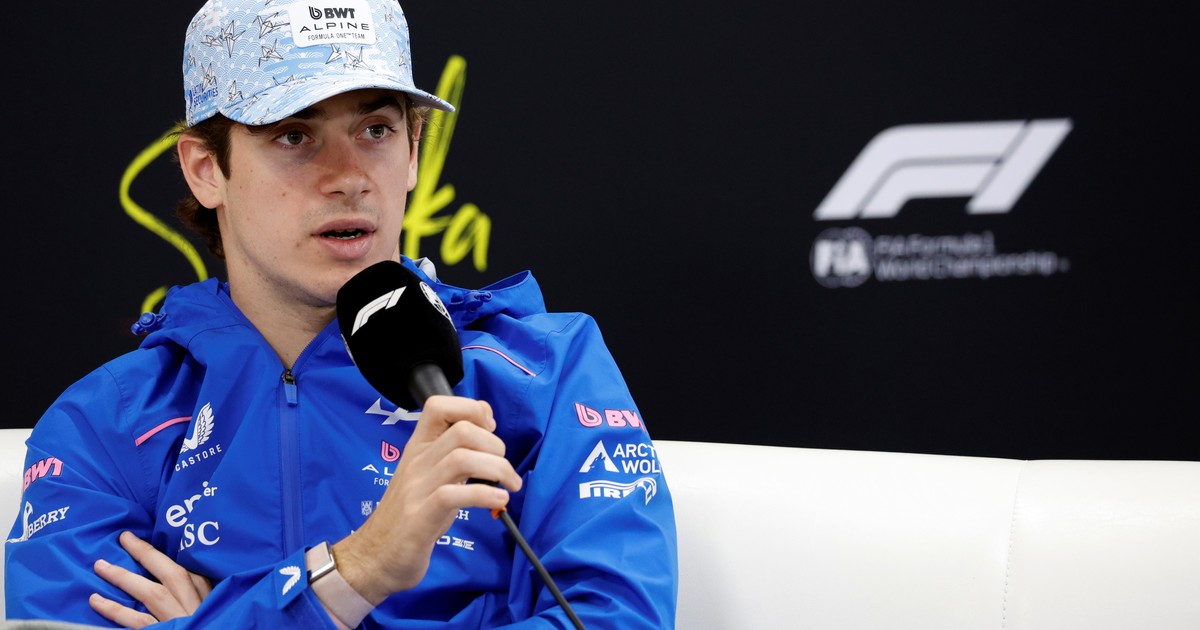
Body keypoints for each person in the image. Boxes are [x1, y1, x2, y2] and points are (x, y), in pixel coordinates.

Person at [4, 0, 678, 627]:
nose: (349, 176)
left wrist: (223, 618)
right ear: (206, 169)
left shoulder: (549, 374)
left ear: (413, 152)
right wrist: (357, 570)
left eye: (376, 130)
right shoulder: (105, 426)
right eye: (294, 135)